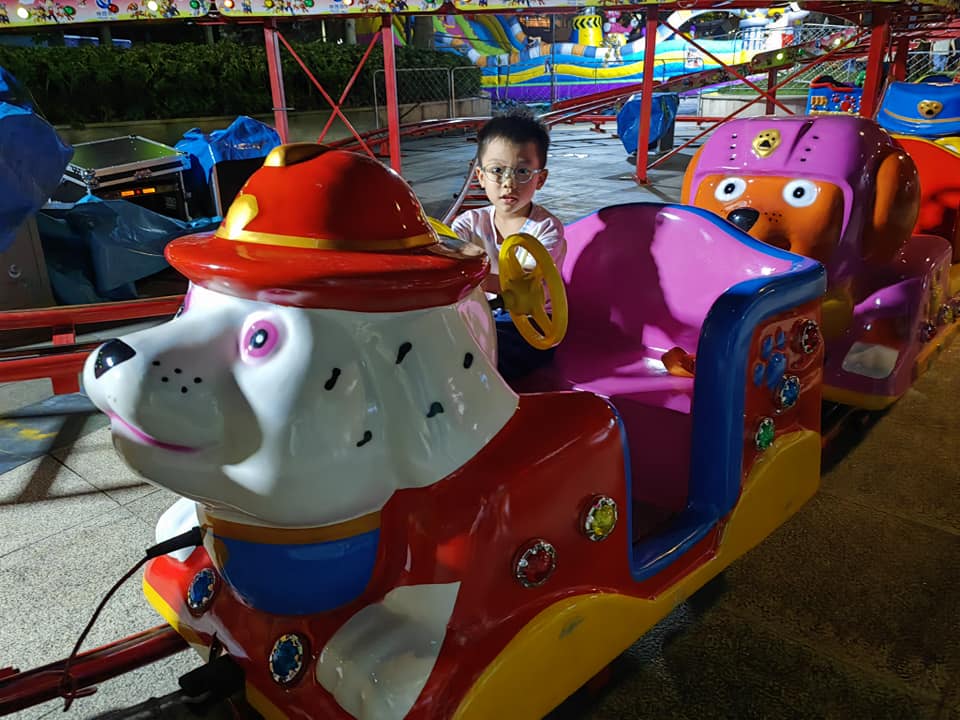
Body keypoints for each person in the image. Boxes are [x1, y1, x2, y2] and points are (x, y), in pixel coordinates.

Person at [452, 108, 566, 380]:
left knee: (481, 352)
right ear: (480, 177)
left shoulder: (546, 229)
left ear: (540, 179)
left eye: (522, 171)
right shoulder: (468, 224)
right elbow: (450, 257)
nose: (508, 183)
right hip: (481, 315)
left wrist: (469, 278)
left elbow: (522, 286)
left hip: (531, 325)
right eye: (497, 170)